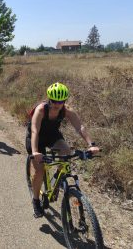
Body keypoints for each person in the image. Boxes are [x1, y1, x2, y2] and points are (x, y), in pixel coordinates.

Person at [28, 82, 100, 217]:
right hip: (36, 138)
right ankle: (36, 200)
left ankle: (57, 180)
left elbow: (80, 127)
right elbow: (34, 130)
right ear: (49, 99)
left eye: (61, 101)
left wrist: (91, 144)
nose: (57, 104)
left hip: (52, 135)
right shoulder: (41, 110)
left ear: (64, 100)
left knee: (66, 151)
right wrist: (35, 151)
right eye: (54, 101)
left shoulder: (66, 110)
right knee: (39, 171)